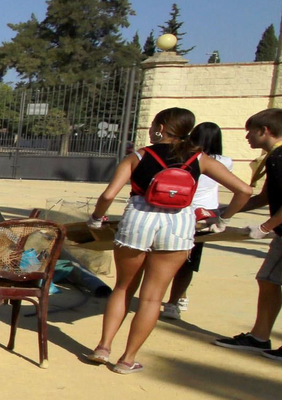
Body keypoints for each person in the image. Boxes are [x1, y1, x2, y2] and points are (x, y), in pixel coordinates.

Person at [84, 107, 252, 373]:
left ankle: (103, 347)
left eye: (153, 124)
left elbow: (108, 195)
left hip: (138, 219)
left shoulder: (138, 156)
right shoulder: (200, 158)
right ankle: (127, 360)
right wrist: (223, 219)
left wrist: (96, 218)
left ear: (161, 127)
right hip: (178, 224)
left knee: (123, 288)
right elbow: (244, 190)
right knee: (152, 298)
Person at [215, 108, 282, 357]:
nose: (247, 137)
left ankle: (259, 336)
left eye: (250, 132)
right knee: (267, 280)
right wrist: (228, 210)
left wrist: (264, 227)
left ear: (264, 131)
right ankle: (260, 336)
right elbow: (266, 197)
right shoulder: (273, 157)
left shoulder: (279, 157)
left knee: (269, 280)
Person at [162, 121, 232, 319]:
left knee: (169, 255)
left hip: (181, 210)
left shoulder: (184, 156)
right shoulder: (225, 162)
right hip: (205, 215)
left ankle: (173, 298)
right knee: (189, 260)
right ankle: (175, 301)